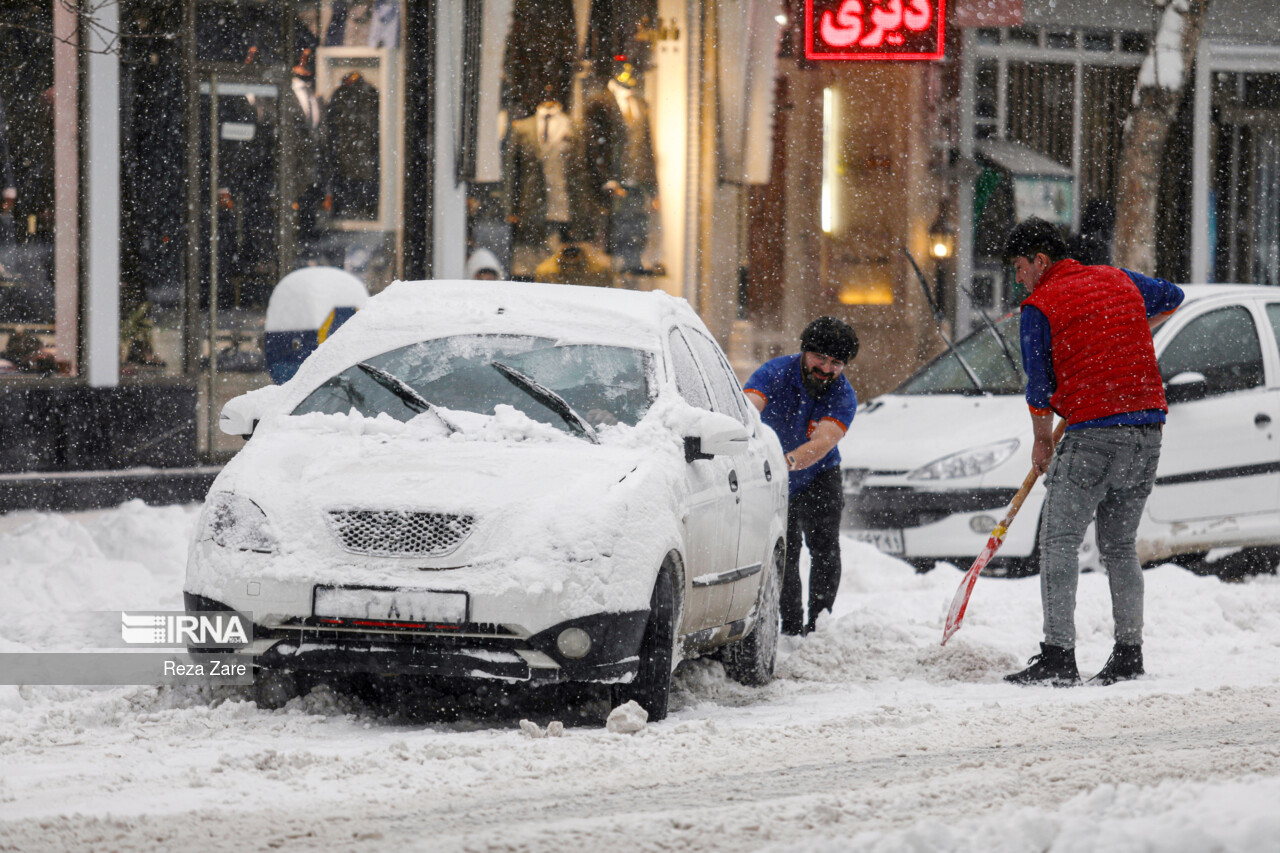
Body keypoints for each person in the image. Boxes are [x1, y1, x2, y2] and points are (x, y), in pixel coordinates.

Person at [1002, 218, 1184, 687]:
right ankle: (1129, 654)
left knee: (1059, 540)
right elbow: (1174, 296)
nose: (1018, 277)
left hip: (1093, 434)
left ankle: (1058, 656)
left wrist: (1042, 442)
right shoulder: (1117, 278)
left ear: (1041, 261)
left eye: (1020, 267)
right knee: (1120, 546)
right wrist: (1119, 327)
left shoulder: (1038, 306)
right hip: (1148, 428)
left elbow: (1039, 390)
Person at [744, 317, 859, 636]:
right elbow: (749, 409)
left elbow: (823, 442)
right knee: (785, 550)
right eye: (819, 358)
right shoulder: (775, 372)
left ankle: (819, 625)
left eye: (836, 362)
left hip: (820, 475)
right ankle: (790, 629)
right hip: (774, 479)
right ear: (805, 351)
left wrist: (788, 461)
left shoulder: (844, 397)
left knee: (825, 550)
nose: (826, 368)